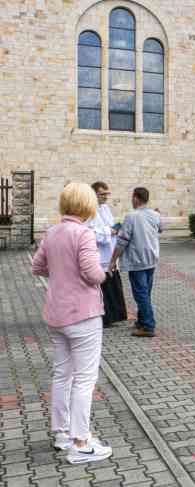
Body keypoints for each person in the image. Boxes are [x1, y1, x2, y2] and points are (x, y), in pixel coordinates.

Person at [31, 182, 113, 464]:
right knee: (85, 378)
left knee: (62, 374)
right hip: (82, 315)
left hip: (56, 314)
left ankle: (62, 433)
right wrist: (103, 273)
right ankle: (81, 443)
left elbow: (37, 266)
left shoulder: (52, 232)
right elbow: (92, 274)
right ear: (87, 205)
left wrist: (61, 273)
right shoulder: (84, 233)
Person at [109, 187, 162, 338]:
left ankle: (148, 326)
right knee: (145, 293)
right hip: (151, 259)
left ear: (135, 198)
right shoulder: (155, 215)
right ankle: (141, 321)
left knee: (141, 294)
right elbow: (160, 229)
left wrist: (113, 260)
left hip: (137, 261)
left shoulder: (131, 217)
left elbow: (122, 241)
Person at [88, 181, 127, 328]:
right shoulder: (88, 211)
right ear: (93, 194)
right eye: (102, 194)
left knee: (112, 286)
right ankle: (105, 318)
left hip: (110, 252)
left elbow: (109, 225)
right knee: (103, 288)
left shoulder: (105, 208)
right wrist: (109, 231)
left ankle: (115, 316)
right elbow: (90, 232)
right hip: (99, 255)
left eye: (106, 194)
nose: (105, 197)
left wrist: (115, 229)